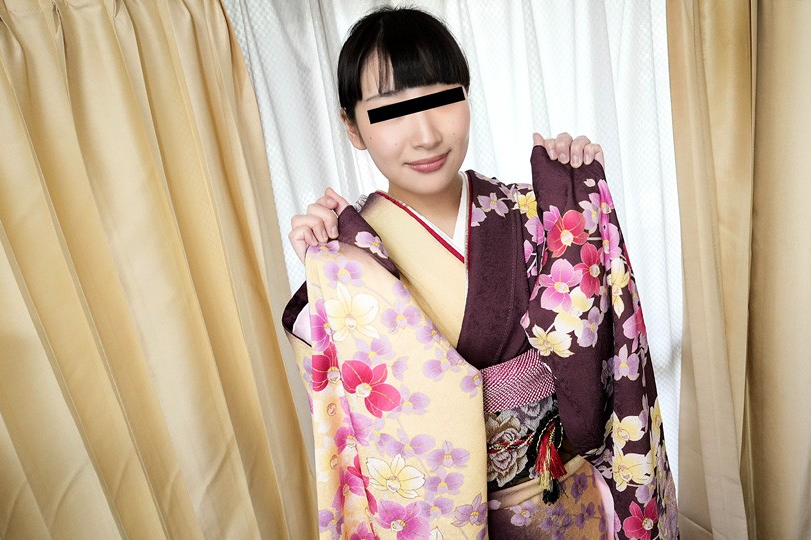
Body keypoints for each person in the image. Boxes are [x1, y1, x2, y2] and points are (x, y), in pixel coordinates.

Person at [283, 6, 677, 539]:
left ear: (467, 98)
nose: (425, 135)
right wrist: (326, 272)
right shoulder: (352, 258)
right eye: (391, 112)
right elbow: (351, 414)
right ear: (352, 127)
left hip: (570, 503)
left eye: (442, 99)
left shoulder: (542, 214)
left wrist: (578, 202)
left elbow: (604, 363)